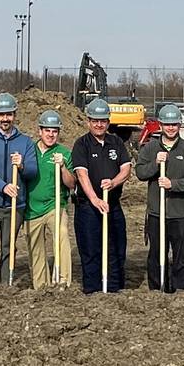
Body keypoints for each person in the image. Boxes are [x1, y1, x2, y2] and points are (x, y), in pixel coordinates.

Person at [134, 104, 184, 293]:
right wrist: (155, 164)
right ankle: (157, 289)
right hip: (157, 212)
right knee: (156, 253)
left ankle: (179, 289)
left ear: (179, 125)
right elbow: (140, 172)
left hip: (181, 213)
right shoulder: (150, 148)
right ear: (160, 125)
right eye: (167, 124)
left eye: (174, 124)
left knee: (181, 255)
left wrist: (173, 185)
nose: (171, 128)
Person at [0, 93, 39, 285]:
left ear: (14, 115)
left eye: (9, 114)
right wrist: (4, 187)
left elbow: (33, 172)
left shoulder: (25, 142)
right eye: (1, 115)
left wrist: (22, 166)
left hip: (15, 206)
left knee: (8, 246)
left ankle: (5, 284)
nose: (5, 119)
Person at [71, 98, 133, 293]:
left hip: (112, 205)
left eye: (103, 121)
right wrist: (95, 200)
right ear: (88, 121)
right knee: (90, 250)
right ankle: (92, 289)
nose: (99, 124)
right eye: (95, 120)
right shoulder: (82, 144)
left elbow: (126, 169)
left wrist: (114, 182)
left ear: (108, 121)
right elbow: (82, 175)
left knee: (116, 249)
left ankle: (113, 289)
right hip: (89, 207)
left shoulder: (116, 142)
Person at [24, 109, 75, 289]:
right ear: (40, 131)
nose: (51, 134)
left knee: (61, 235)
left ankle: (63, 280)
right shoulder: (29, 150)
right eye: (47, 130)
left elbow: (71, 184)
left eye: (54, 131)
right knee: (35, 248)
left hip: (55, 206)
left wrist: (62, 167)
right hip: (31, 209)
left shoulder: (64, 153)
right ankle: (41, 285)